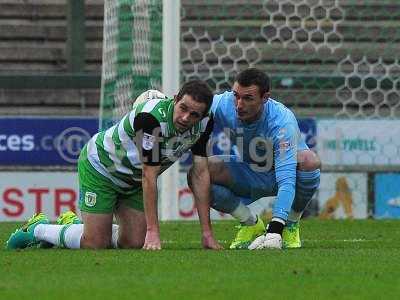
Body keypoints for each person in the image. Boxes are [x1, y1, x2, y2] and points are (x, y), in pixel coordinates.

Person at [6, 80, 222, 251]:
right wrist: (153, 231)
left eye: (194, 114)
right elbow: (149, 175)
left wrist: (207, 233)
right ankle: (37, 229)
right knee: (95, 243)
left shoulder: (204, 124)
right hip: (102, 169)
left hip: (134, 181)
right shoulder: (151, 119)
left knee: (134, 243)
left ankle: (74, 226)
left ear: (203, 115)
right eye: (183, 108)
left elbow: (200, 172)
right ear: (174, 99)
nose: (186, 117)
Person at [188, 68, 321, 250]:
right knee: (199, 172)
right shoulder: (223, 104)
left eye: (248, 98)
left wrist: (275, 229)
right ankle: (250, 223)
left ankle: (290, 224)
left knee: (309, 161)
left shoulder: (282, 122)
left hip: (282, 176)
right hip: (250, 172)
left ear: (265, 98)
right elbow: (189, 106)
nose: (239, 104)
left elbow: (286, 181)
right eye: (236, 96)